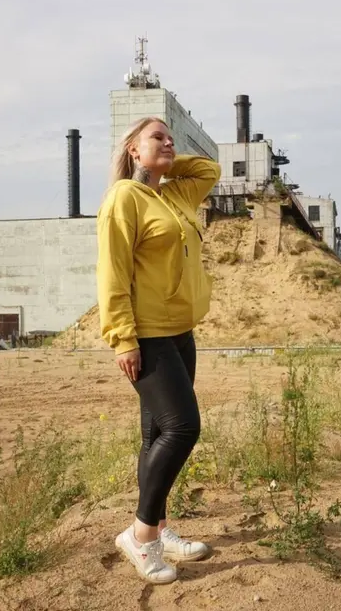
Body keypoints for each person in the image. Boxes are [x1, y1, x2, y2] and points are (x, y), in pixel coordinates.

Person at [96, 117, 221, 584]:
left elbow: (209, 170)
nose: (169, 143)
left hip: (180, 331)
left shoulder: (174, 194)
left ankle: (160, 528)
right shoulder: (123, 198)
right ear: (132, 148)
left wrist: (164, 163)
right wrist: (122, 338)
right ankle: (141, 535)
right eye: (157, 138)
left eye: (171, 138)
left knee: (155, 436)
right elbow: (112, 272)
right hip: (146, 334)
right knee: (183, 427)